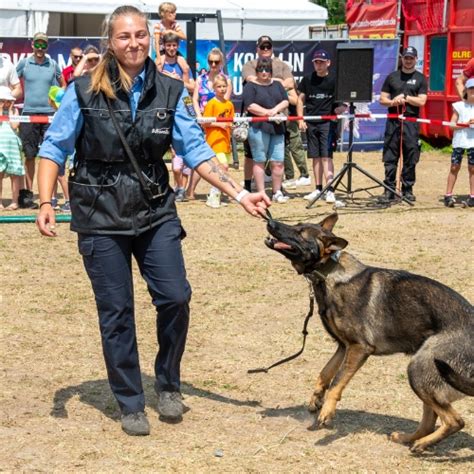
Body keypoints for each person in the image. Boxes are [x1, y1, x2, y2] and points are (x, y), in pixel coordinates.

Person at [36, 5, 270, 437]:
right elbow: (53, 146)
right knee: (117, 311)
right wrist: (46, 200)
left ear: (151, 37)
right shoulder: (84, 90)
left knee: (176, 296)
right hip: (99, 214)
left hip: (154, 208)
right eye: (124, 37)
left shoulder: (169, 89)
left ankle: (167, 382)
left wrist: (238, 194)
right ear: (111, 41)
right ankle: (129, 401)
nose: (134, 43)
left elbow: (196, 150)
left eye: (140, 35)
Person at [16, 32, 66, 208]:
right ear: (32, 45)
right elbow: (13, 82)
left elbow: (63, 84)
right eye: (37, 44)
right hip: (28, 114)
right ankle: (29, 196)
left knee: (50, 155)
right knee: (29, 156)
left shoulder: (52, 64)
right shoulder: (24, 63)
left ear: (47, 46)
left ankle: (49, 197)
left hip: (49, 116)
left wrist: (59, 99)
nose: (40, 48)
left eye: (43, 45)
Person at [241, 36, 294, 193]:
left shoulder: (282, 65)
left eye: (268, 47)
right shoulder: (249, 64)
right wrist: (272, 83)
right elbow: (251, 79)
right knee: (253, 157)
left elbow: (290, 83)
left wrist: (272, 83)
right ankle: (248, 184)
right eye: (262, 47)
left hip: (279, 121)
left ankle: (278, 188)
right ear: (257, 48)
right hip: (257, 123)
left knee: (279, 158)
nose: (265, 50)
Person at [379, 46, 428, 201]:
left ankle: (407, 189)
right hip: (393, 120)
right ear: (402, 58)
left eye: (411, 58)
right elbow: (382, 99)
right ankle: (389, 189)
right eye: (405, 57)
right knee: (390, 156)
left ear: (415, 59)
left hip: (411, 122)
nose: (408, 61)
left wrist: (406, 97)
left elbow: (422, 101)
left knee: (410, 156)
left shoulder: (420, 78)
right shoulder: (392, 77)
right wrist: (393, 102)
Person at [298, 49, 345, 203]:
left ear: (328, 63)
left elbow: (345, 100)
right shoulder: (307, 79)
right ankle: (318, 188)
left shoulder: (335, 80)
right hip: (311, 122)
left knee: (326, 156)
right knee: (315, 157)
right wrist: (300, 119)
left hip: (327, 123)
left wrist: (342, 107)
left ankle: (329, 189)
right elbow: (300, 99)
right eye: (316, 62)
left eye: (321, 62)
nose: (318, 65)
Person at [187, 47, 232, 200]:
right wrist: (200, 116)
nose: (213, 65)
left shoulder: (226, 80)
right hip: (201, 122)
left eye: (216, 62)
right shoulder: (201, 79)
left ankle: (218, 191)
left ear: (221, 62)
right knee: (200, 157)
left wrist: (216, 123)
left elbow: (225, 103)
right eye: (211, 62)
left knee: (216, 160)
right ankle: (190, 191)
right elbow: (194, 99)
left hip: (217, 126)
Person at [158, 32, 195, 201]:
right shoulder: (159, 63)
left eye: (174, 45)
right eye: (168, 45)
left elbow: (191, 87)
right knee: (172, 150)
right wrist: (166, 77)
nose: (171, 48)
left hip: (183, 102)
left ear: (177, 47)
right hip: (166, 104)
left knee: (183, 145)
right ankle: (175, 186)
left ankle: (183, 188)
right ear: (164, 46)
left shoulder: (182, 64)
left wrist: (178, 79)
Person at [202, 74, 235, 208]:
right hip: (214, 140)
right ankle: (213, 195)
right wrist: (219, 125)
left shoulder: (229, 104)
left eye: (224, 86)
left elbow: (231, 121)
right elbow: (205, 123)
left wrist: (232, 128)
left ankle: (216, 195)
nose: (222, 89)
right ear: (214, 88)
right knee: (223, 167)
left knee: (224, 170)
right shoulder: (212, 103)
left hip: (225, 141)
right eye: (219, 86)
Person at [443, 77, 474, 207]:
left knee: (473, 169)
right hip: (460, 141)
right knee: (454, 167)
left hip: (473, 143)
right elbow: (451, 125)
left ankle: (472, 196)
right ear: (466, 90)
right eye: (472, 89)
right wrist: (465, 125)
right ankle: (448, 195)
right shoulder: (459, 106)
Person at [282, 81, 311, 190]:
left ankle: (304, 174)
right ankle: (288, 176)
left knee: (296, 148)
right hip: (279, 120)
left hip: (291, 119)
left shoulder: (290, 85)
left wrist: (282, 95)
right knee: (282, 149)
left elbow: (296, 101)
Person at [0, 86, 24, 210]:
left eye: (7, 101)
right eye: (2, 101)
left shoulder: (14, 111)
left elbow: (15, 126)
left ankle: (15, 201)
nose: (5, 103)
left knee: (15, 175)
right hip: (0, 146)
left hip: (12, 147)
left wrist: (9, 111)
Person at [153, 2, 188, 75]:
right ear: (165, 14)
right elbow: (156, 42)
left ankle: (186, 82)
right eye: (172, 12)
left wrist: (171, 31)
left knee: (185, 66)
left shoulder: (175, 25)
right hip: (162, 51)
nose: (175, 14)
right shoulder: (158, 26)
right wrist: (158, 57)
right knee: (159, 66)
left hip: (173, 50)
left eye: (175, 12)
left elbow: (184, 37)